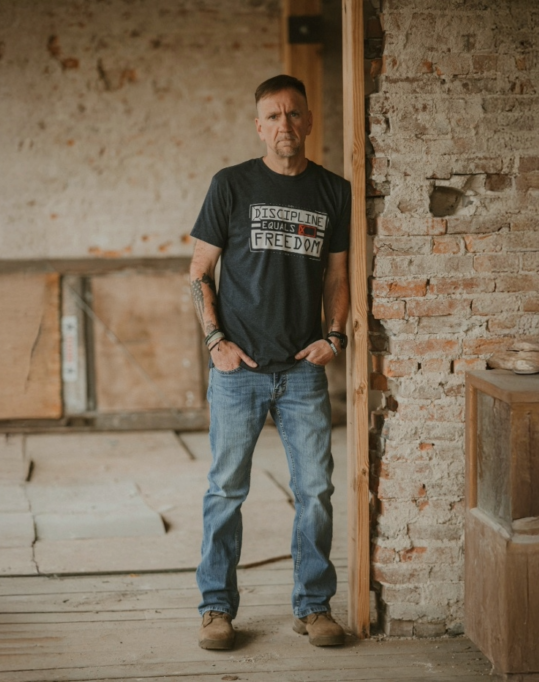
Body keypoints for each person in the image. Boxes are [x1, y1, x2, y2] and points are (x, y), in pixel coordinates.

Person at [189, 74, 351, 651]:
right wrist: (215, 342)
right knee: (226, 492)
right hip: (238, 372)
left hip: (303, 370)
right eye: (273, 116)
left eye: (293, 114)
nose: (285, 125)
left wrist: (336, 336)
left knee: (316, 491)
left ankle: (314, 608)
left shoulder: (334, 191)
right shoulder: (230, 185)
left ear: (308, 121)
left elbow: (336, 275)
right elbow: (198, 273)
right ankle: (215, 611)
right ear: (259, 126)